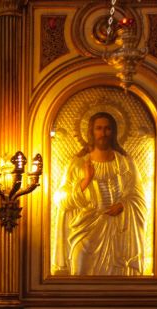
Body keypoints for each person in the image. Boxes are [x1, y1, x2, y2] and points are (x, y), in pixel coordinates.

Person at [53, 112, 146, 276]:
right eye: (99, 128)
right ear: (91, 132)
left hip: (118, 233)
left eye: (107, 129)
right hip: (85, 230)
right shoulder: (78, 164)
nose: (103, 133)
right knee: (79, 270)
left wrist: (123, 205)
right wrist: (86, 181)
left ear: (114, 132)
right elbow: (61, 200)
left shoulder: (125, 163)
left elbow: (139, 199)